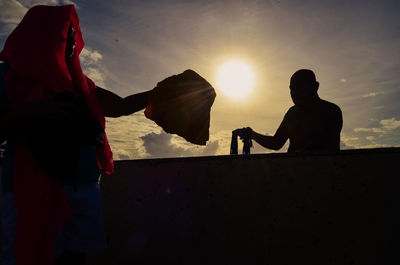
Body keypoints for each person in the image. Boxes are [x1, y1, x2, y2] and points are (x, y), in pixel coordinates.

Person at [0, 5, 152, 265]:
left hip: (81, 192)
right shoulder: (8, 77)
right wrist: (34, 113)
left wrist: (162, 92)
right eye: (64, 33)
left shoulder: (81, 84)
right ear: (41, 35)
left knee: (72, 260)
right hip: (26, 193)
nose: (72, 40)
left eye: (73, 34)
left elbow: (121, 105)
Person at [234, 69, 342, 153]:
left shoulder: (331, 111)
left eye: (300, 87)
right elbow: (276, 143)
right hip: (295, 169)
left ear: (315, 87)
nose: (294, 93)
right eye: (292, 89)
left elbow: (326, 144)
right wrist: (252, 134)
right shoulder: (292, 114)